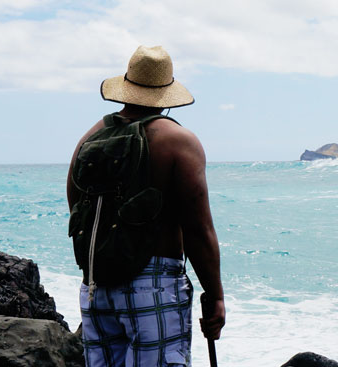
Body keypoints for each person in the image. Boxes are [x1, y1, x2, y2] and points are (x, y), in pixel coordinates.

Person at [68, 45, 225, 367]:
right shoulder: (177, 139)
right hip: (153, 284)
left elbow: (75, 206)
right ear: (166, 93)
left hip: (96, 286)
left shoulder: (92, 136)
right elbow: (197, 227)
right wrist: (216, 295)